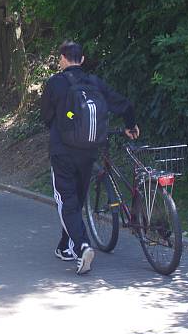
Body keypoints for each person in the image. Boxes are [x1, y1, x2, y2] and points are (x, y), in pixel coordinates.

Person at [40, 40, 139, 275]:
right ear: (82, 59)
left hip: (62, 151)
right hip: (89, 150)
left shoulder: (55, 83)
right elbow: (124, 105)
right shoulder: (95, 82)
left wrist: (64, 118)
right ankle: (65, 245)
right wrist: (131, 125)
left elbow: (46, 116)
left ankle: (82, 246)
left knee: (67, 200)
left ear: (62, 59)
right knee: (77, 198)